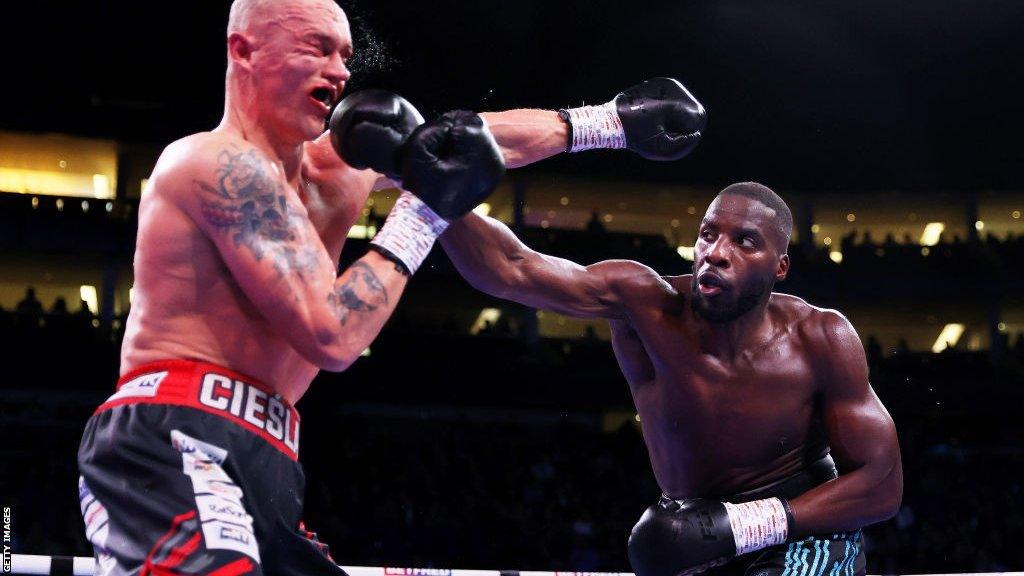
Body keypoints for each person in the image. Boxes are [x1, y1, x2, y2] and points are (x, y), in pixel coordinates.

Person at [74, 0, 706, 574]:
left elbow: (475, 137)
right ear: (244, 50)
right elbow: (332, 332)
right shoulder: (212, 164)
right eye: (315, 47)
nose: (340, 70)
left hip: (268, 456)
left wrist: (612, 122)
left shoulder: (335, 170)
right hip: (177, 434)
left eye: (346, 55)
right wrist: (422, 210)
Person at [441, 182, 903, 575]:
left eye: (745, 241)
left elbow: (882, 483)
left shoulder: (820, 336)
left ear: (779, 267)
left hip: (804, 528)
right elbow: (512, 268)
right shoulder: (644, 305)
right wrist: (435, 193)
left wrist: (747, 525)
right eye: (708, 234)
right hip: (695, 532)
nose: (717, 254)